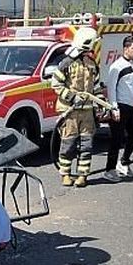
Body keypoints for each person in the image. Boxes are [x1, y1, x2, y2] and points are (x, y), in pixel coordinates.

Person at [51, 26, 103, 188]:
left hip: (87, 112)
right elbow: (56, 84)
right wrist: (73, 97)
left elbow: (96, 87)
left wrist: (100, 103)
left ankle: (82, 175)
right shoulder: (66, 63)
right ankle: (65, 174)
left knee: (86, 145)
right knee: (68, 143)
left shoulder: (91, 63)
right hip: (69, 112)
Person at [103, 35, 133, 182]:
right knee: (116, 140)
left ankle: (124, 162)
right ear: (126, 49)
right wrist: (114, 108)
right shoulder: (116, 67)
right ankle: (110, 170)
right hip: (121, 107)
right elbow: (111, 89)